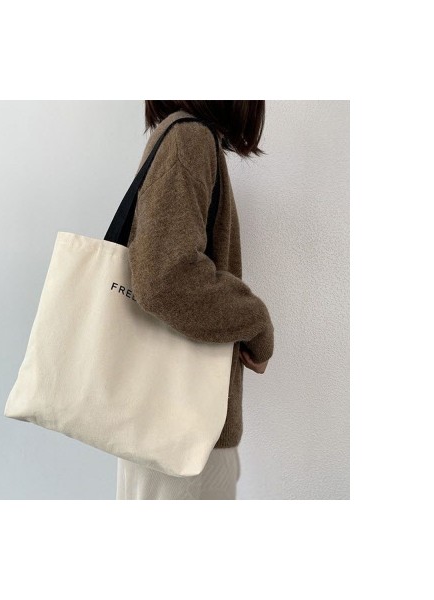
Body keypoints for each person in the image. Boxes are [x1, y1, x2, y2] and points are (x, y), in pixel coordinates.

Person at [116, 101, 275, 500]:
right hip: (182, 437)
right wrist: (256, 321)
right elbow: (164, 278)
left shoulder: (184, 136)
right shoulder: (189, 138)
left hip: (171, 430)